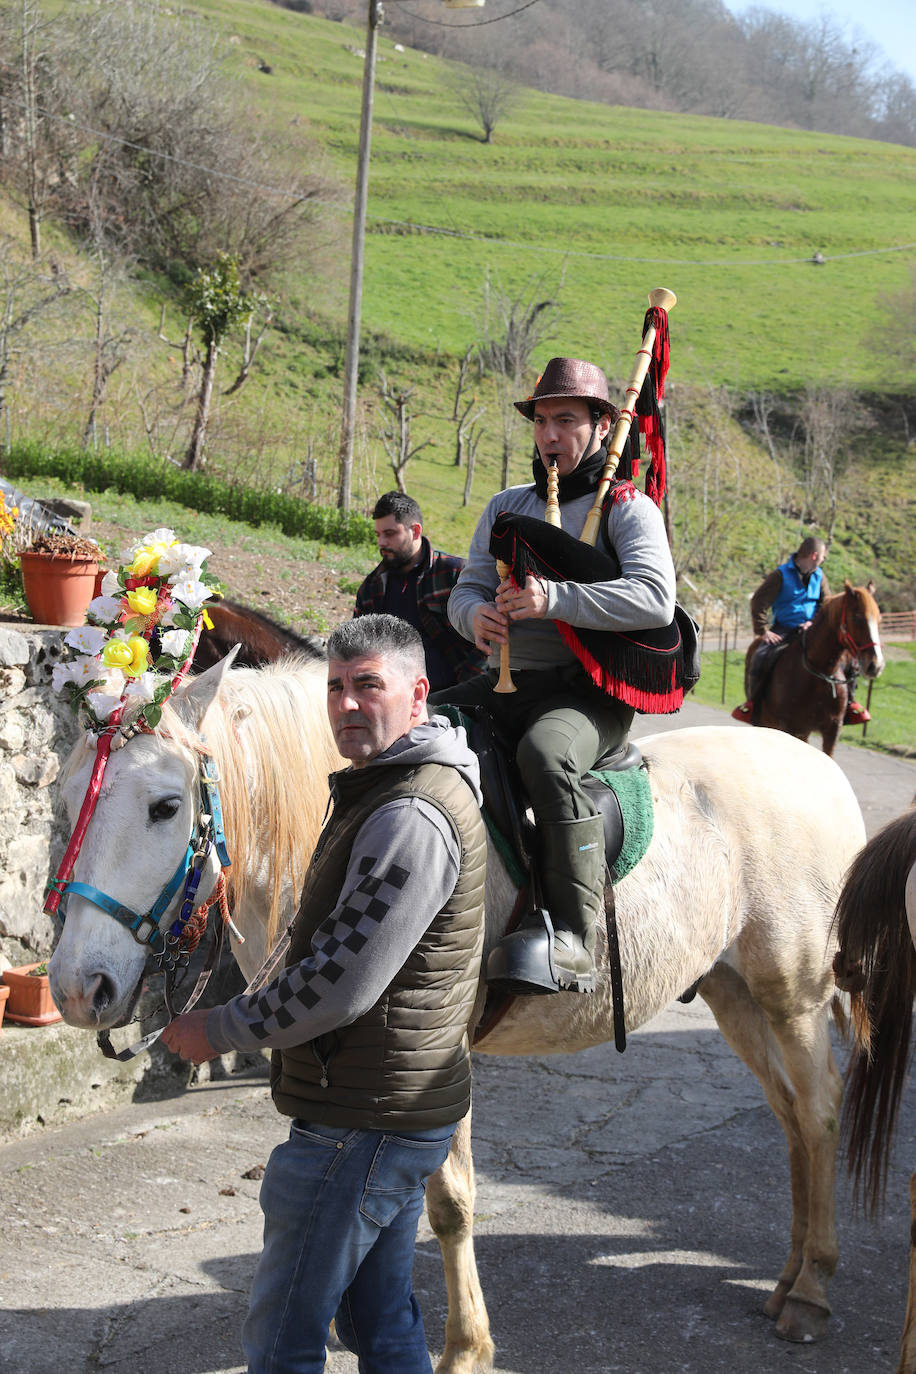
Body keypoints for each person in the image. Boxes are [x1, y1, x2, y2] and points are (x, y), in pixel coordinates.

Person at [162, 613, 487, 1374]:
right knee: (380, 1325)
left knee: (282, 1342)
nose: (346, 703)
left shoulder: (410, 812)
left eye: (367, 685)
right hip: (383, 1108)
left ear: (417, 696)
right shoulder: (382, 790)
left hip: (362, 1121)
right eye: (336, 686)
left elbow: (341, 981)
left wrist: (222, 1027)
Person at [431, 356, 677, 997]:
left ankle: (573, 936)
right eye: (541, 421)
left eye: (566, 419)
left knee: (545, 753)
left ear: (601, 425)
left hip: (587, 692)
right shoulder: (506, 507)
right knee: (415, 732)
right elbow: (467, 591)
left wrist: (554, 601)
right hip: (506, 680)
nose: (549, 435)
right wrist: (475, 619)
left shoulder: (627, 507)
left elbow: (654, 599)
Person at [354, 491, 486, 693]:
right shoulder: (371, 588)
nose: (381, 543)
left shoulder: (455, 574)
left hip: (456, 696)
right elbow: (357, 649)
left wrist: (467, 690)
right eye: (378, 535)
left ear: (415, 531)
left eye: (389, 534)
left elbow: (490, 637)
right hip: (392, 699)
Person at [731, 537, 870, 724]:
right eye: (822, 557)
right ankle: (753, 704)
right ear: (814, 555)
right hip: (784, 628)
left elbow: (825, 604)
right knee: (760, 656)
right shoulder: (780, 575)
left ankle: (851, 704)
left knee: (848, 659)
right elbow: (758, 601)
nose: (822, 560)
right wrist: (763, 631)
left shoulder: (820, 576)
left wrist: (813, 622)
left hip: (813, 629)